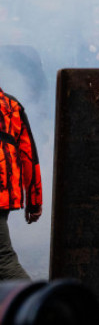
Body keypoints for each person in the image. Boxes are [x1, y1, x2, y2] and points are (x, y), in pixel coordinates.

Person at [0, 84, 43, 279]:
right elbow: (28, 156)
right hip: (4, 190)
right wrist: (34, 203)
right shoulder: (11, 105)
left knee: (3, 260)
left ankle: (37, 306)